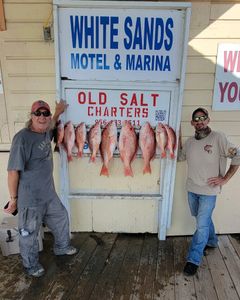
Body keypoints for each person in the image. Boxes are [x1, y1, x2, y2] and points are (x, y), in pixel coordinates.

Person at [4, 99, 77, 277]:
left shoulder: (45, 131)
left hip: (48, 194)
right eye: (38, 113)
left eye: (45, 113)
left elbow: (51, 124)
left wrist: (58, 112)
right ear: (32, 116)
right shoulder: (22, 139)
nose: (42, 117)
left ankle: (61, 247)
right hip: (30, 198)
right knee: (28, 234)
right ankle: (30, 265)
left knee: (61, 218)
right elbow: (13, 171)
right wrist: (13, 200)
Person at [178, 107, 240, 276]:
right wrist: (176, 134)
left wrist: (225, 179)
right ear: (192, 123)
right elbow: (179, 156)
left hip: (209, 192)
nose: (200, 122)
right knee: (201, 220)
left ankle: (193, 259)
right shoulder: (190, 142)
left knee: (201, 224)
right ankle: (211, 241)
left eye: (203, 118)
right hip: (191, 189)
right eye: (196, 119)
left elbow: (238, 155)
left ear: (208, 120)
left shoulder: (218, 138)